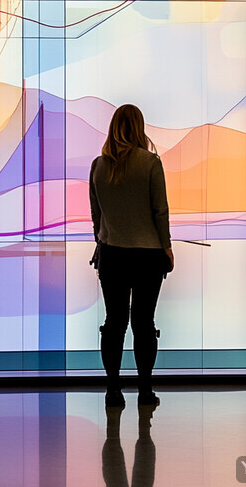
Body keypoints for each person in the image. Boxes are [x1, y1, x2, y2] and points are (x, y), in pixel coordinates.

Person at [89, 104, 174, 408]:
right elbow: (160, 210)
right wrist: (167, 246)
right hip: (148, 255)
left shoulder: (99, 165)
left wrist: (102, 241)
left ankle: (113, 390)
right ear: (139, 126)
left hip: (111, 254)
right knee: (143, 322)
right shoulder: (151, 163)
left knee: (114, 323)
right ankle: (145, 390)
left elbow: (96, 215)